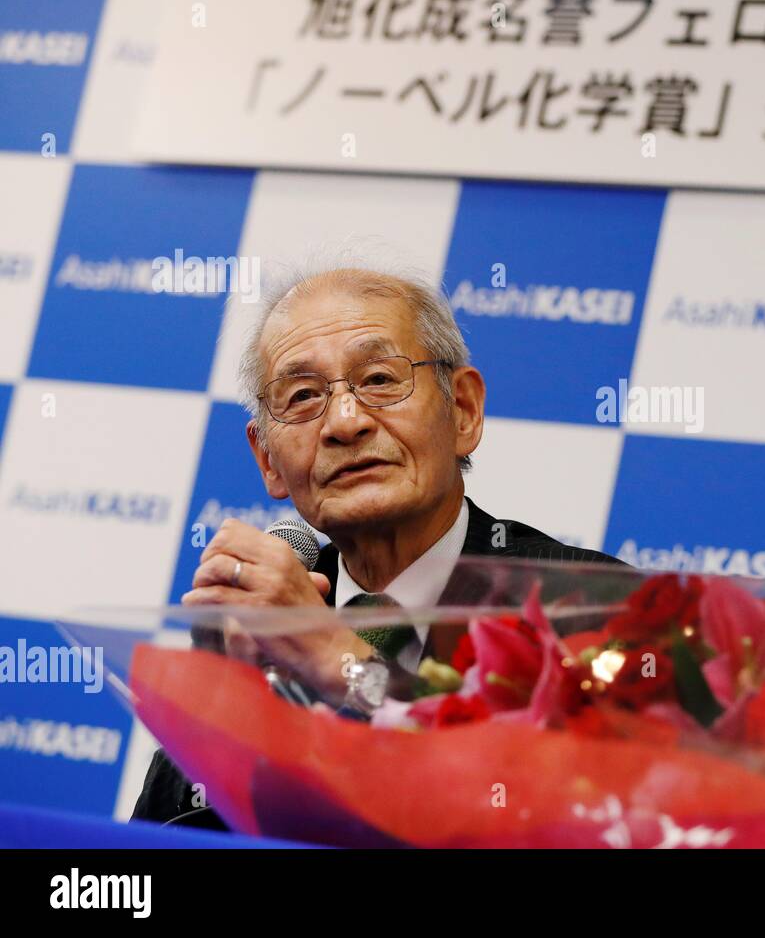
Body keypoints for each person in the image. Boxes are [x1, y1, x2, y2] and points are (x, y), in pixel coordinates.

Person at [131, 265, 622, 829]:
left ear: (462, 410)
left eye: (380, 380)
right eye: (303, 395)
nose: (345, 422)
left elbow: (565, 820)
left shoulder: (594, 612)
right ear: (268, 460)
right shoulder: (258, 632)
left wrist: (345, 665)